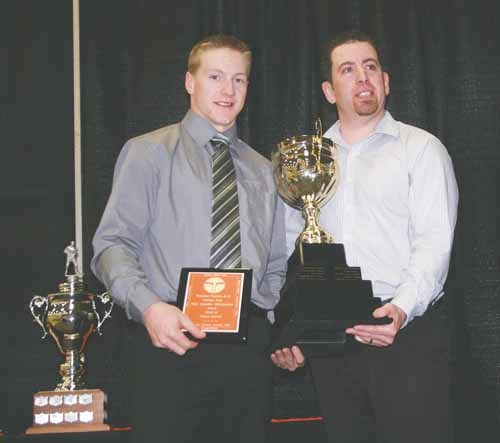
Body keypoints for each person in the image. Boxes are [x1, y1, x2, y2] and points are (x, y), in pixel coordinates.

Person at [91, 34, 287, 443]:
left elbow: (274, 262)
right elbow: (112, 245)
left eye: (239, 79)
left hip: (244, 354)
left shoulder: (265, 170)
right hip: (168, 342)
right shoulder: (147, 153)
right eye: (215, 76)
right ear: (189, 81)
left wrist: (268, 322)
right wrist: (150, 310)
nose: (228, 90)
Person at [271, 30, 459, 443]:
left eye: (371, 67)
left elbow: (434, 241)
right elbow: (290, 253)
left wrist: (401, 308)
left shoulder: (422, 149)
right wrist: (295, 329)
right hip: (333, 339)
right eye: (348, 69)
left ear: (387, 81)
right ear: (328, 89)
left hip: (408, 334)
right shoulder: (308, 162)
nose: (363, 78)